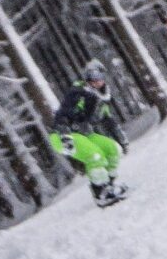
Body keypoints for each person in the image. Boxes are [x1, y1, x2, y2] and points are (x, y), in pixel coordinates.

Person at [48, 60, 128, 207]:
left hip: (83, 133)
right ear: (87, 78)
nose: (98, 81)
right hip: (63, 135)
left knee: (112, 149)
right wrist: (63, 129)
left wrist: (119, 136)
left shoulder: (100, 97)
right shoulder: (79, 92)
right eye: (93, 76)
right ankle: (100, 192)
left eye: (100, 76)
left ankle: (108, 185)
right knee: (95, 155)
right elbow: (64, 111)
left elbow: (106, 117)